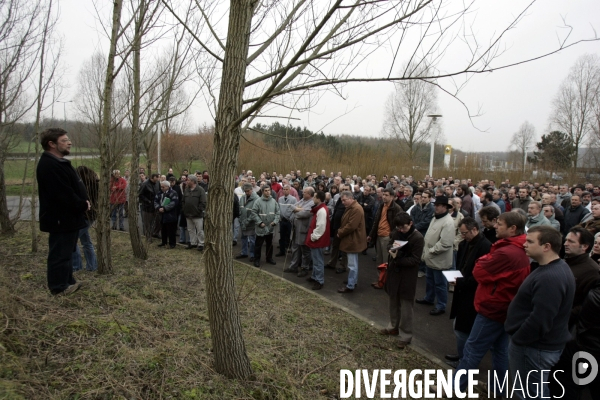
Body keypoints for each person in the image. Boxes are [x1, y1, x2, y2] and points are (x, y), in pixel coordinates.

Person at [453, 212, 530, 395]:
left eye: (500, 224)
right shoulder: (515, 247)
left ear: (512, 228)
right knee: (500, 350)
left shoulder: (507, 251)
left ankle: (455, 387)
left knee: (473, 349)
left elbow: (478, 271)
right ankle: (497, 388)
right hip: (506, 307)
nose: (495, 226)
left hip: (493, 308)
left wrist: (484, 262)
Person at [505, 226, 575, 400]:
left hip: (534, 348)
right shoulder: (552, 269)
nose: (524, 244)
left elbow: (540, 319)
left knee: (530, 394)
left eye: (530, 241)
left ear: (546, 246)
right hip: (535, 346)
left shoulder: (550, 277)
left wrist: (519, 339)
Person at [37, 128, 90, 295]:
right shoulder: (50, 165)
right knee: (59, 253)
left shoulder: (58, 162)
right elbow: (63, 194)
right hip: (60, 218)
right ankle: (59, 287)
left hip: (69, 219)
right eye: (64, 140)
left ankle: (68, 281)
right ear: (51, 144)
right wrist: (82, 204)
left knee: (67, 252)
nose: (69, 143)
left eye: (68, 140)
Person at [446, 217, 491, 368]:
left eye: (465, 233)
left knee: (463, 329)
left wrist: (460, 282)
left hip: (472, 293)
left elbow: (479, 276)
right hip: (463, 290)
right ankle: (462, 355)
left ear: (474, 230)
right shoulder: (466, 243)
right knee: (460, 327)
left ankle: (466, 360)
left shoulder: (485, 247)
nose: (462, 236)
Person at [380, 213, 424, 349]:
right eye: (398, 228)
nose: (401, 230)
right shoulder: (397, 232)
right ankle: (393, 326)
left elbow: (415, 260)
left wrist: (398, 259)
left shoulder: (417, 237)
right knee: (393, 301)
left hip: (407, 276)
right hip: (394, 273)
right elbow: (389, 244)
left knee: (406, 306)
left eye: (403, 227)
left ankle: (405, 335)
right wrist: (391, 250)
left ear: (410, 223)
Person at [416, 196, 455, 315]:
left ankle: (441, 305)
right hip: (430, 256)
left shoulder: (448, 222)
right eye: (435, 205)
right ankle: (429, 298)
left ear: (444, 207)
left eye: (438, 205)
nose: (435, 207)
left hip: (439, 258)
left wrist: (430, 251)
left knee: (440, 284)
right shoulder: (436, 217)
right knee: (430, 280)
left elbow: (445, 244)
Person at [563, 227, 600, 328]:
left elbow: (585, 304)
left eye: (571, 241)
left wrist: (563, 316)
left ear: (584, 246)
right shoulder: (565, 261)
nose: (565, 244)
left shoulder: (592, 271)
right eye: (566, 240)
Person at [368, 188, 403, 288]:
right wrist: (371, 234)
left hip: (387, 237)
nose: (384, 197)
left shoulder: (396, 208)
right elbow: (376, 221)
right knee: (379, 260)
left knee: (386, 261)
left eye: (386, 195)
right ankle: (380, 280)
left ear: (392, 196)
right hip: (379, 235)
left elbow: (399, 225)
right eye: (383, 194)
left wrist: (392, 236)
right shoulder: (381, 205)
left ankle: (386, 282)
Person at [337, 191, 366, 293]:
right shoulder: (352, 207)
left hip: (353, 240)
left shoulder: (356, 209)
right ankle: (353, 281)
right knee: (354, 263)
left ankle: (350, 285)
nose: (343, 202)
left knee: (352, 265)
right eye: (342, 200)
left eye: (344, 200)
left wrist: (340, 232)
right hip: (352, 239)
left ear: (350, 198)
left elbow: (351, 226)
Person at [72, 166, 99, 272]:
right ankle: (92, 266)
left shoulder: (83, 186)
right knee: (86, 241)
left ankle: (76, 266)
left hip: (85, 215)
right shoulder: (95, 184)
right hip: (90, 215)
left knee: (72, 240)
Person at [285, 187, 314, 276]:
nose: (302, 193)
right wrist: (298, 209)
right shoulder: (302, 200)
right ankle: (293, 266)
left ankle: (305, 268)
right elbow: (291, 207)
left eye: (304, 192)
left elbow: (305, 213)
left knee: (305, 250)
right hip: (295, 229)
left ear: (309, 194)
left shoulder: (312, 203)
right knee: (295, 248)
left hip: (303, 230)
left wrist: (297, 210)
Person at [305, 191, 331, 290]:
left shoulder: (322, 211)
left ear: (319, 199)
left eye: (314, 197)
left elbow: (321, 226)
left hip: (317, 240)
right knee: (315, 259)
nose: (313, 199)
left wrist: (313, 237)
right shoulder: (320, 209)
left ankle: (319, 280)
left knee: (318, 261)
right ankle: (314, 276)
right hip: (316, 239)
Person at [250, 186, 280, 267]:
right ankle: (257, 259)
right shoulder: (258, 201)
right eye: (266, 191)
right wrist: (260, 222)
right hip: (261, 228)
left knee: (269, 244)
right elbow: (253, 213)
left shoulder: (273, 201)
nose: (268, 192)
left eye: (269, 190)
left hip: (270, 227)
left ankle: (269, 258)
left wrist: (275, 221)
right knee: (258, 245)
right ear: (263, 192)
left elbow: (278, 212)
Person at [181, 175, 207, 251]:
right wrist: (184, 209)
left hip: (197, 214)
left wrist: (199, 210)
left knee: (199, 230)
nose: (187, 181)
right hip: (188, 213)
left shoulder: (200, 190)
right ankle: (193, 243)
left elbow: (203, 202)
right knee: (190, 229)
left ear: (193, 181)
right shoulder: (186, 190)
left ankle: (201, 243)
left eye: (188, 180)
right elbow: (183, 201)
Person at [237, 183, 259, 261]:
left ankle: (252, 254)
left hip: (251, 223)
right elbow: (240, 209)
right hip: (243, 222)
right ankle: (244, 252)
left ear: (251, 190)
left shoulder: (256, 199)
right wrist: (241, 219)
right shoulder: (243, 198)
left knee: (252, 240)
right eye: (245, 191)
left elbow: (254, 212)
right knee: (243, 238)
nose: (246, 193)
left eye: (248, 191)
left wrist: (247, 221)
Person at [154, 181, 179, 248]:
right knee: (163, 229)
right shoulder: (159, 193)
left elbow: (174, 203)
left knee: (171, 230)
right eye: (161, 187)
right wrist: (158, 208)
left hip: (170, 214)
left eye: (163, 187)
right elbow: (156, 201)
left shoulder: (173, 193)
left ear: (168, 187)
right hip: (162, 215)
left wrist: (164, 208)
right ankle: (163, 242)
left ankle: (172, 243)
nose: (162, 188)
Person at [276, 185, 297, 257]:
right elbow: (278, 209)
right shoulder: (280, 199)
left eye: (286, 189)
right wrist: (279, 218)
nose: (285, 190)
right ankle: (282, 251)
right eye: (284, 189)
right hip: (282, 220)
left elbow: (295, 210)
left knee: (289, 236)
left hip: (289, 221)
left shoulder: (293, 199)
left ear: (289, 190)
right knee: (282, 236)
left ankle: (288, 249)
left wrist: (291, 219)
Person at [139, 173, 161, 240]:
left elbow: (160, 192)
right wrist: (147, 201)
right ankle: (148, 236)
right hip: (147, 206)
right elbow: (140, 194)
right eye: (156, 178)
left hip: (156, 205)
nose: (157, 179)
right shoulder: (145, 184)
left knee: (158, 221)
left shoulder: (157, 183)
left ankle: (156, 233)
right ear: (152, 178)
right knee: (148, 223)